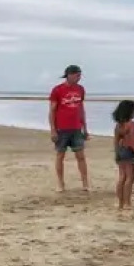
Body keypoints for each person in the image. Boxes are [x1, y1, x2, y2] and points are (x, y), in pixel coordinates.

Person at [49, 64, 89, 193]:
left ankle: (85, 183)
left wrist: (85, 128)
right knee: (60, 155)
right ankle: (60, 183)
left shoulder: (80, 89)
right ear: (69, 75)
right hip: (62, 128)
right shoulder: (57, 90)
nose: (79, 78)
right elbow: (52, 111)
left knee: (80, 156)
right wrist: (53, 130)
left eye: (80, 75)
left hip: (77, 128)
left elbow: (81, 108)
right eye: (77, 75)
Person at [112, 100, 134, 212]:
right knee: (130, 178)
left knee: (122, 178)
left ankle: (120, 202)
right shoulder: (132, 124)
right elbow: (133, 141)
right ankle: (127, 202)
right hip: (129, 151)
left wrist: (116, 154)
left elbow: (115, 141)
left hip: (121, 151)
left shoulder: (118, 126)